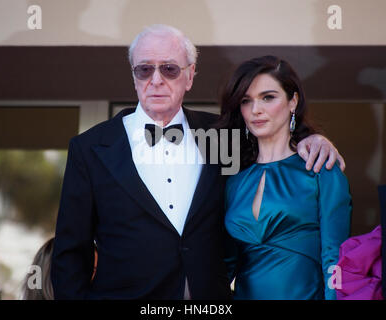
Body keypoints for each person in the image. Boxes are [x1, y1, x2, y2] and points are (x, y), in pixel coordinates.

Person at [51, 25, 344, 300]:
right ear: (133, 76)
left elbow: (273, 146)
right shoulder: (90, 148)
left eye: (169, 69)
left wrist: (312, 139)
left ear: (190, 75)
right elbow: (70, 254)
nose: (156, 80)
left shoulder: (221, 137)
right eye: (144, 69)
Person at [220, 55, 352, 300]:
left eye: (268, 97)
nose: (255, 110)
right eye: (246, 101)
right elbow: (225, 267)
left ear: (293, 101)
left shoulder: (321, 169)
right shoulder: (234, 182)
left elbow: (335, 257)